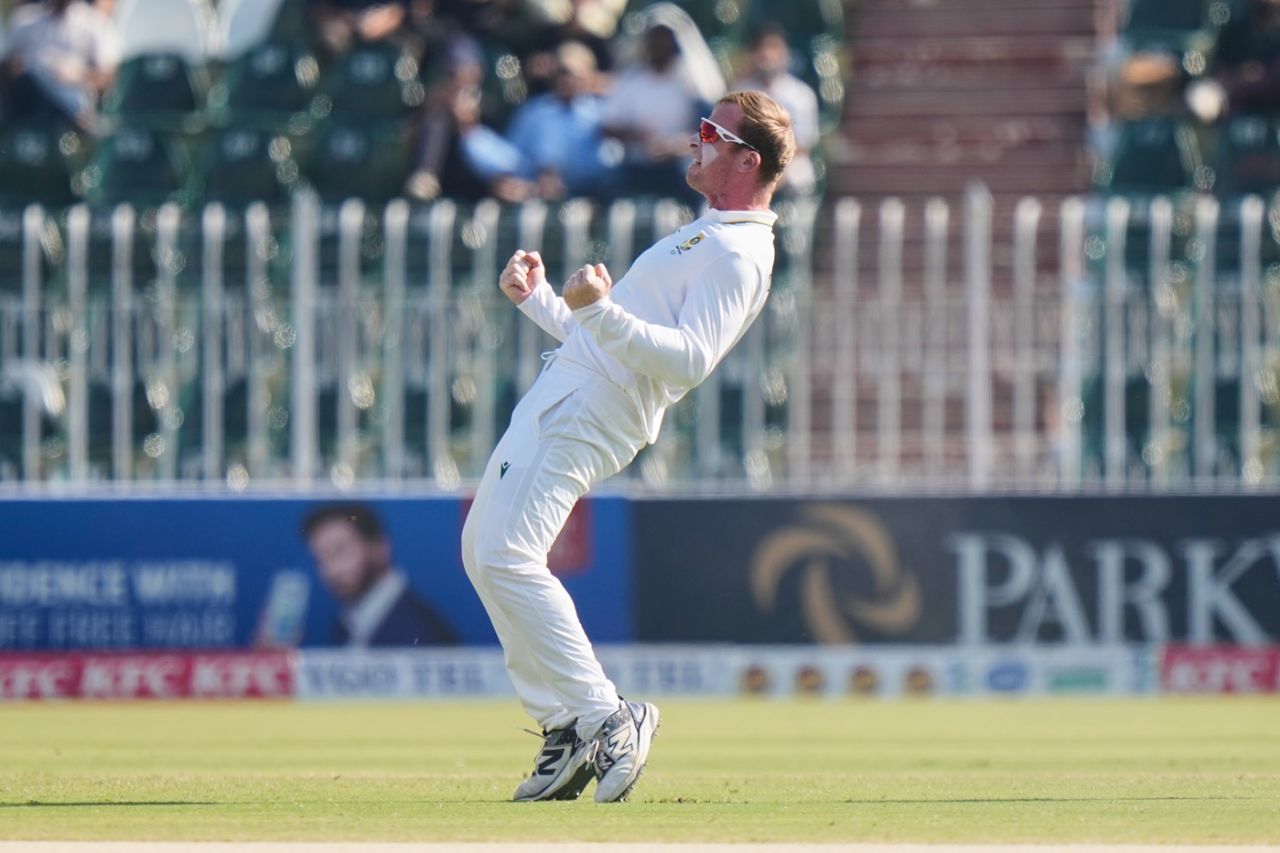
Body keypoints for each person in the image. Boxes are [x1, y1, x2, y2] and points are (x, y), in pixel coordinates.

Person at [460, 90, 796, 803]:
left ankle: (605, 714)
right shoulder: (707, 231)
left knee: (507, 555)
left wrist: (598, 310)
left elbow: (688, 360)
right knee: (484, 552)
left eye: (713, 133)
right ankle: (564, 726)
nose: (695, 140)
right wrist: (544, 302)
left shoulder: (740, 252)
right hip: (573, 391)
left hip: (592, 408)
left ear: (748, 159)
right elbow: (607, 341)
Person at [600, 3, 724, 205]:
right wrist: (636, 135)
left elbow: (712, 129)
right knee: (606, 184)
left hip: (681, 162)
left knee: (702, 185)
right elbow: (607, 127)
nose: (660, 44)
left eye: (665, 38)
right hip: (638, 163)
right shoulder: (631, 79)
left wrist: (680, 144)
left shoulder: (694, 82)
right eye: (655, 38)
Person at [303, 503, 457, 647]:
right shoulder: (343, 625)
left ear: (380, 547)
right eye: (320, 559)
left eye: (340, 551)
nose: (331, 570)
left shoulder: (422, 631)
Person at [505, 40, 611, 200]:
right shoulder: (533, 111)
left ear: (587, 75)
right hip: (535, 195)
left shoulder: (601, 113)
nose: (566, 79)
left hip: (591, 195)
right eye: (561, 73)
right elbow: (512, 157)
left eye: (572, 74)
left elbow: (609, 162)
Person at [0, 0, 120, 132]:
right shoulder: (25, 20)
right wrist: (16, 68)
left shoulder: (94, 23)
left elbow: (108, 78)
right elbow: (7, 67)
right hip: (28, 102)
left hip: (69, 108)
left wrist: (79, 75)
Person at [734, 23, 819, 197]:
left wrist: (774, 171)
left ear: (785, 53)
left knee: (800, 175)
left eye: (773, 47)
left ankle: (797, 224)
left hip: (789, 162)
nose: (767, 54)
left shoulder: (801, 94)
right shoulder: (740, 93)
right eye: (762, 48)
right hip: (749, 162)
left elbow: (803, 145)